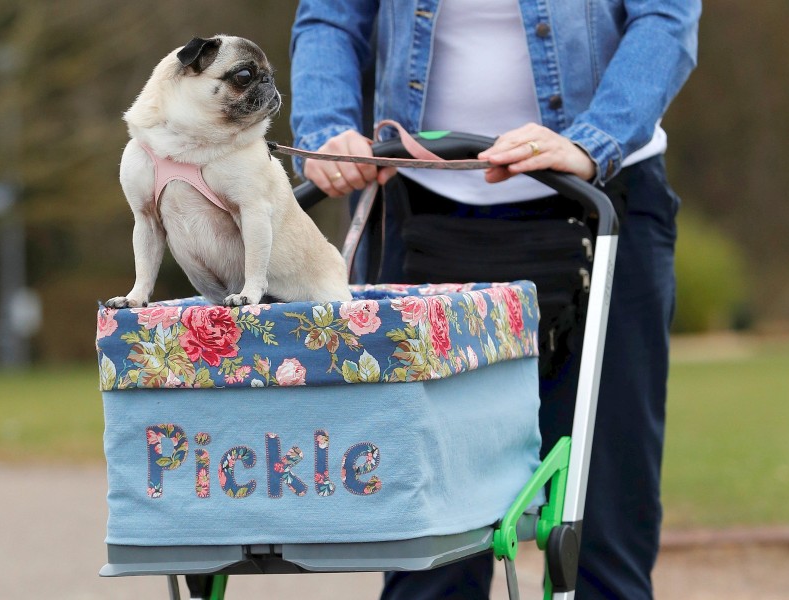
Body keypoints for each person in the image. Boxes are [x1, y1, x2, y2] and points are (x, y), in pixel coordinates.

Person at [290, 1, 701, 598]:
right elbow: (330, 16)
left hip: (602, 200)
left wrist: (591, 142)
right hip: (415, 208)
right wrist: (327, 128)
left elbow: (665, 18)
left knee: (601, 526)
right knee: (426, 544)